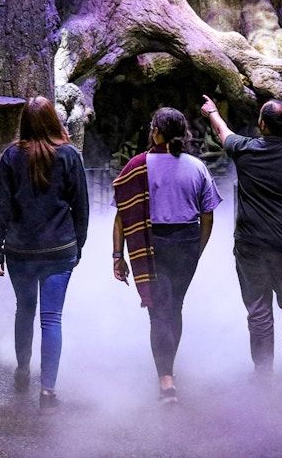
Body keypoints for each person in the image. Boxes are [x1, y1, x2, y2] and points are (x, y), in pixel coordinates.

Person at [200, 95, 282, 395]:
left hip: (251, 245)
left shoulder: (245, 150)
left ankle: (262, 373)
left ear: (262, 124)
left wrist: (213, 112)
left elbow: (223, 132)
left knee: (258, 309)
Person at [112, 107, 222, 404]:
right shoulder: (196, 167)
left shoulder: (137, 165)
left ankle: (166, 379)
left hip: (152, 244)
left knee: (159, 311)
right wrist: (197, 250)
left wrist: (117, 254)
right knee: (174, 307)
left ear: (156, 132)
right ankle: (168, 368)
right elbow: (208, 216)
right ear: (184, 134)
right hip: (187, 242)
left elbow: (123, 215)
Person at [0, 96, 89, 413]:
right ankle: (47, 393)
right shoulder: (69, 156)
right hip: (60, 250)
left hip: (21, 251)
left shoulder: (12, 156)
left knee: (24, 310)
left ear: (25, 124)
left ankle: (22, 370)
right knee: (51, 319)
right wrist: (78, 245)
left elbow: (0, 206)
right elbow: (81, 207)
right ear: (53, 121)